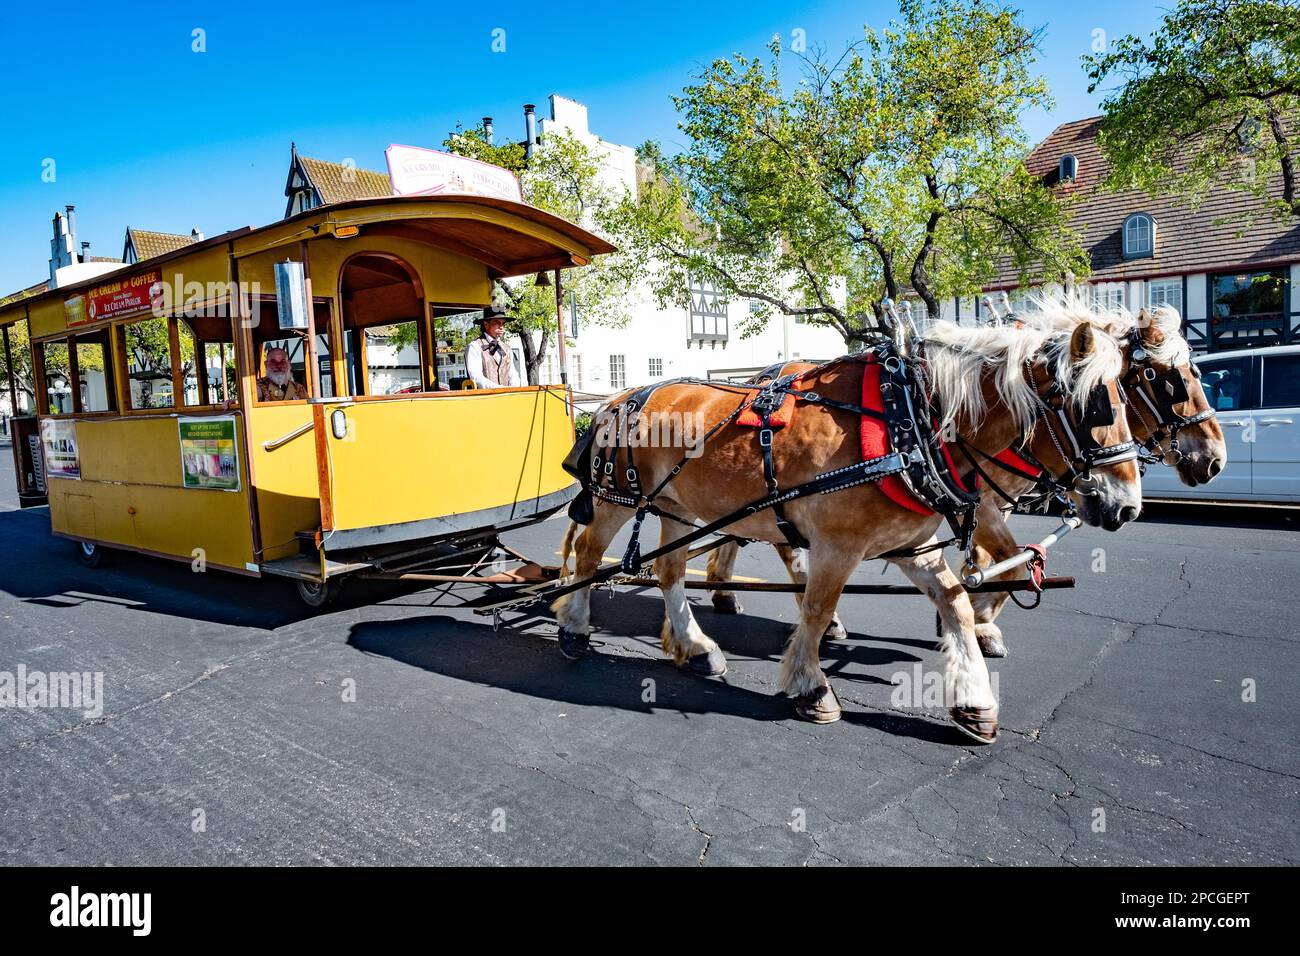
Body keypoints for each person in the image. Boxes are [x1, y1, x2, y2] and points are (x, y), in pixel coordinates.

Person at [465, 310, 521, 389]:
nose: (501, 327)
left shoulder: (507, 348)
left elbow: (513, 374)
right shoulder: (475, 346)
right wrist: (498, 389)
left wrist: (514, 389)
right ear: (486, 324)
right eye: (497, 322)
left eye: (503, 323)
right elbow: (476, 377)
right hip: (484, 399)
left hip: (507, 397)